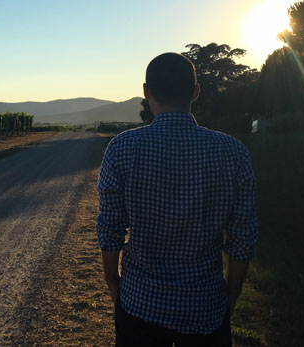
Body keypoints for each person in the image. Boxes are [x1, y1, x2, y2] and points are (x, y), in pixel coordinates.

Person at [96, 52, 258, 346]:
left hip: (139, 304)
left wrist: (113, 283)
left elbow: (110, 228)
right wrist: (232, 295)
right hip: (206, 309)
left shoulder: (122, 148)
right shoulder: (233, 152)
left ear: (146, 93)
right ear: (195, 92)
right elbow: (243, 236)